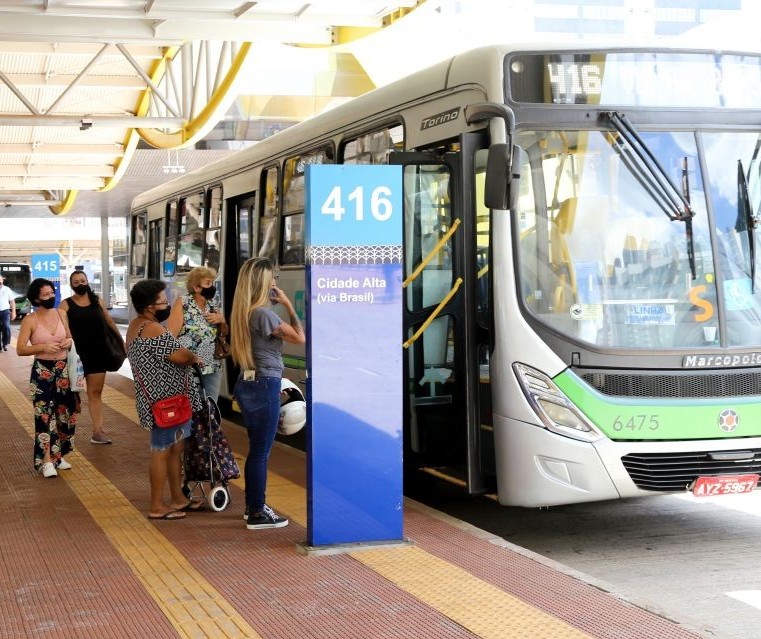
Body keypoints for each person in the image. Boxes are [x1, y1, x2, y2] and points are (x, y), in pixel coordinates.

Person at [230, 257, 305, 530]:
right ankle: (256, 512)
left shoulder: (246, 311)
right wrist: (287, 304)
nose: (276, 282)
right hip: (264, 384)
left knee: (256, 450)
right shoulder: (264, 314)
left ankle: (254, 507)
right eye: (273, 278)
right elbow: (299, 337)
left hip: (249, 382)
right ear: (263, 282)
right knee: (261, 453)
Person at [126, 279, 205, 520]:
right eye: (163, 301)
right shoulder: (152, 328)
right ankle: (157, 505)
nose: (167, 304)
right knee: (161, 451)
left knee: (174, 449)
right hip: (166, 402)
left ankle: (178, 498)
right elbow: (180, 355)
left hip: (165, 400)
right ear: (150, 306)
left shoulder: (135, 325)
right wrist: (193, 357)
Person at [16, 278, 77, 477]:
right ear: (36, 298)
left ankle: (58, 456)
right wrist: (42, 347)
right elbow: (21, 349)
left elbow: (69, 337)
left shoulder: (62, 314)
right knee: (44, 416)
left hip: (63, 371)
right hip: (42, 372)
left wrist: (68, 342)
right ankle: (46, 460)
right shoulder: (30, 320)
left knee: (64, 414)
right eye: (46, 295)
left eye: (52, 293)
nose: (51, 297)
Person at [58, 270, 123, 444]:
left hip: (97, 354)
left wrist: (121, 342)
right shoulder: (65, 305)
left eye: (82, 280)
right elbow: (63, 327)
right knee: (70, 395)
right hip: (75, 356)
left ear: (87, 281)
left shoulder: (97, 301)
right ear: (71, 285)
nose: (80, 284)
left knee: (95, 392)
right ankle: (64, 435)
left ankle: (97, 431)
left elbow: (109, 322)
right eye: (76, 282)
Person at [166, 266, 226, 402]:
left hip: (212, 366)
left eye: (212, 282)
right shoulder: (183, 303)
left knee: (211, 409)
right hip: (188, 367)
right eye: (208, 283)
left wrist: (222, 321)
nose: (212, 286)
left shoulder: (213, 304)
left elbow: (224, 333)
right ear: (196, 287)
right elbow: (170, 336)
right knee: (190, 409)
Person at [0, 274, 16, 352]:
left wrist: (14, 312)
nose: (0, 283)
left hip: (5, 311)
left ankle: (5, 344)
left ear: (2, 281)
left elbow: (12, 301)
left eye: (0, 281)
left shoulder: (7, 289)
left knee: (6, 327)